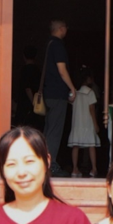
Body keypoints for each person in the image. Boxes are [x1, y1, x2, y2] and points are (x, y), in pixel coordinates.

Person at [40, 20, 75, 175]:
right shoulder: (58, 45)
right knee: (55, 131)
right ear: (61, 29)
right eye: (66, 27)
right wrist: (72, 88)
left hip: (48, 93)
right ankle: (50, 164)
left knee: (48, 129)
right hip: (57, 94)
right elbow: (62, 70)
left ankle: (43, 161)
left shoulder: (48, 44)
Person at [68, 69, 101, 178]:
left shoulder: (74, 93)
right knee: (91, 145)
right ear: (87, 79)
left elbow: (70, 103)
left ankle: (74, 169)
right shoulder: (90, 92)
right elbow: (92, 109)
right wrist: (95, 124)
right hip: (88, 122)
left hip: (77, 122)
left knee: (75, 145)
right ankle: (94, 169)